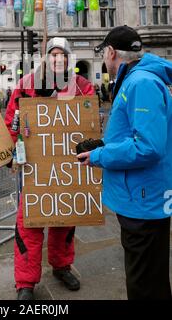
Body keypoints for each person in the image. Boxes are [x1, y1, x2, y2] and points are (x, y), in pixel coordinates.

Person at [77, 25, 172, 300]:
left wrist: (99, 156)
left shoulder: (140, 83)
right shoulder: (138, 79)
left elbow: (147, 146)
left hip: (142, 200)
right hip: (141, 196)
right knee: (149, 278)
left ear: (110, 52)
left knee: (144, 285)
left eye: (103, 53)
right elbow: (135, 135)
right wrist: (105, 146)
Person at [5, 37, 94, 300]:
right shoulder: (26, 85)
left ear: (69, 59)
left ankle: (61, 266)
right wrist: (13, 151)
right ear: (47, 57)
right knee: (29, 223)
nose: (59, 59)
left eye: (63, 55)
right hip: (33, 166)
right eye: (54, 54)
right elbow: (12, 120)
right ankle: (25, 283)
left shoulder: (81, 87)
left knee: (64, 220)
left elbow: (89, 122)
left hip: (66, 166)